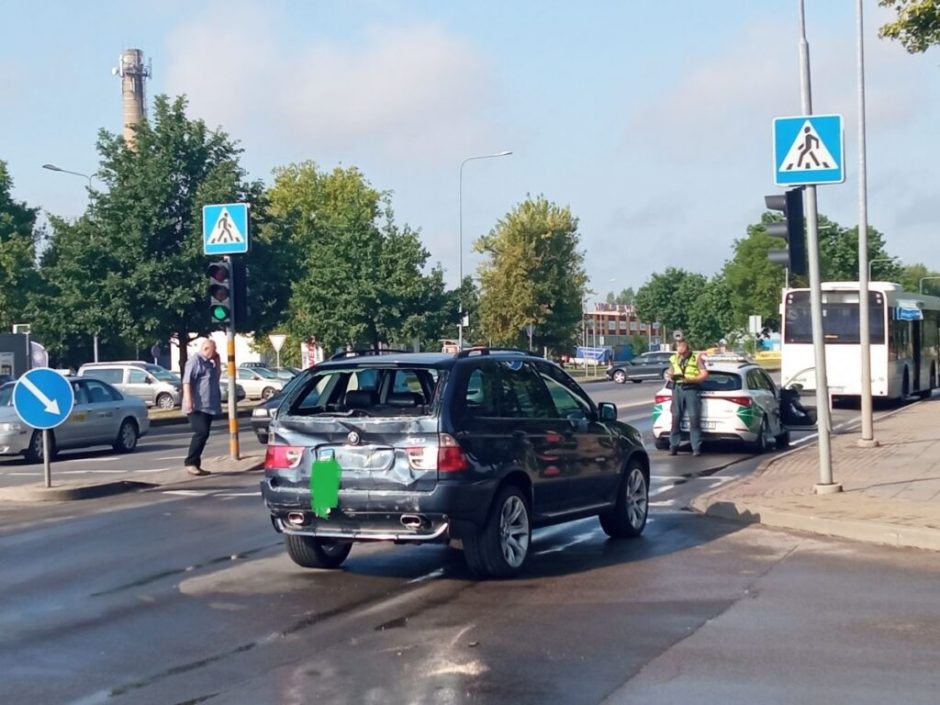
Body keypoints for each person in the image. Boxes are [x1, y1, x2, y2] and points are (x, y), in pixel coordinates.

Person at [182, 338, 222, 476]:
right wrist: (189, 400)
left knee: (205, 434)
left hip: (208, 405)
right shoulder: (195, 361)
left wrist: (217, 362)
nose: (215, 352)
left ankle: (196, 465)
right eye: (213, 349)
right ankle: (190, 463)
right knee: (201, 432)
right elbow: (187, 381)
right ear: (206, 349)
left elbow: (216, 378)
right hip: (197, 405)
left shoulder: (209, 363)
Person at [666, 332, 709, 457]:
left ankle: (696, 447)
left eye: (681, 346)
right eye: (677, 346)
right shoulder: (674, 358)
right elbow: (671, 370)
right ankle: (673, 446)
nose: (679, 348)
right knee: (675, 418)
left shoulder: (696, 358)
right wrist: (670, 375)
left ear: (687, 347)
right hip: (677, 388)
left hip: (691, 388)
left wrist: (692, 379)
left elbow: (704, 374)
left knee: (694, 418)